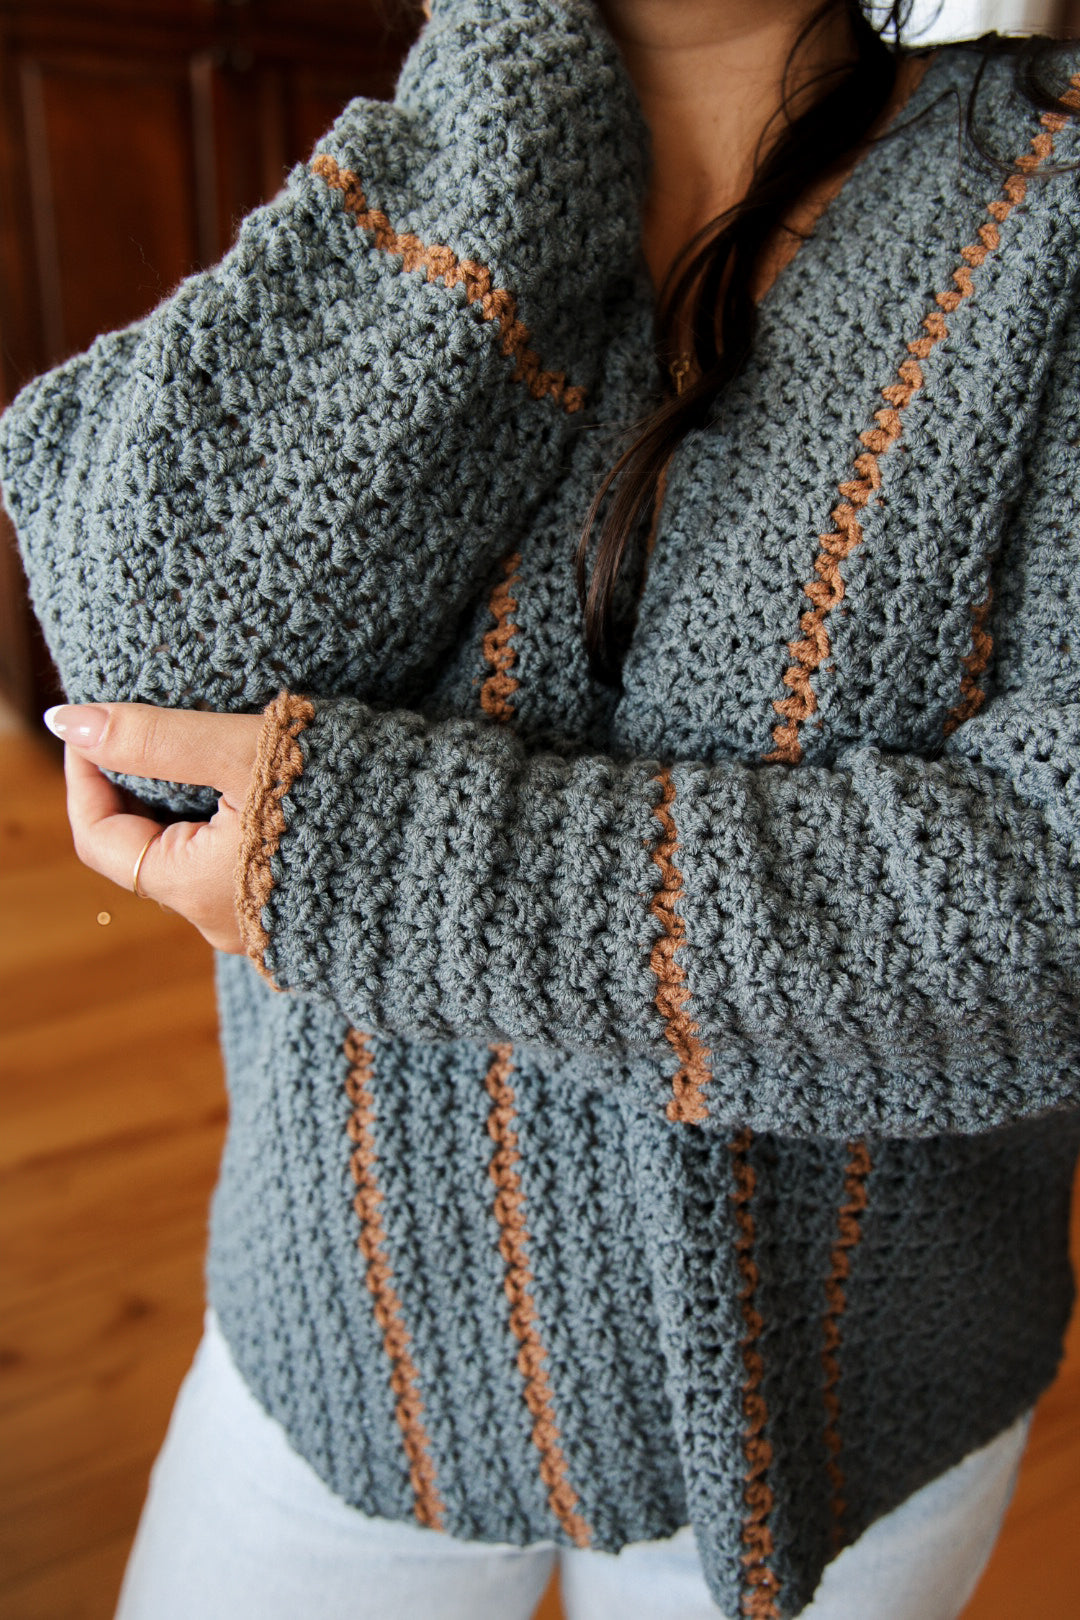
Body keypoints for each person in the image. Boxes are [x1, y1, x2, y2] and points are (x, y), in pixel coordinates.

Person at [1, 0, 1078, 1615]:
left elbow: (1051, 899)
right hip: (350, 1329)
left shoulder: (1047, 205)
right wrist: (509, 112)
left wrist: (393, 866)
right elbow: (155, 665)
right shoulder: (435, 168)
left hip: (839, 1403)